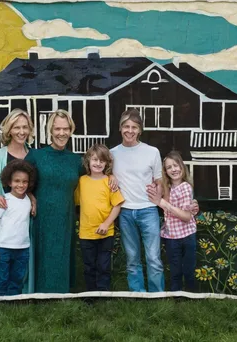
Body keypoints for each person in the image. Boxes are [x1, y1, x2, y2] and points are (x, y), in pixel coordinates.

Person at [24, 109, 84, 293]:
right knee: (44, 257)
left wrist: (111, 177)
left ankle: (62, 296)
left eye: (66, 129)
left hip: (66, 218)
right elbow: (20, 181)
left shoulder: (76, 161)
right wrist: (31, 196)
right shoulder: (37, 156)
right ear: (50, 130)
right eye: (57, 129)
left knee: (62, 255)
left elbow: (94, 179)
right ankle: (41, 296)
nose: (62, 133)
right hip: (41, 218)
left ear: (71, 130)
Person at [110, 109, 165, 292]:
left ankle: (158, 296)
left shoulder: (152, 152)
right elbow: (105, 177)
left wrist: (158, 196)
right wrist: (111, 178)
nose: (130, 130)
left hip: (148, 210)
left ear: (140, 130)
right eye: (126, 126)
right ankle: (138, 295)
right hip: (125, 211)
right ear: (120, 128)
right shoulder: (112, 154)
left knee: (153, 258)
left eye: (134, 127)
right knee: (132, 258)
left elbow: (159, 181)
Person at [0, 109, 36, 291]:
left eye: (25, 127)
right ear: (9, 130)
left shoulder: (34, 155)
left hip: (27, 231)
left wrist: (32, 198)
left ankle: (22, 299)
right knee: (3, 275)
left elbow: (32, 187)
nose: (22, 132)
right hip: (5, 234)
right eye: (17, 127)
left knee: (21, 273)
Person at [74, 144, 125, 291]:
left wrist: (106, 223)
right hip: (86, 232)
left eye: (102, 161)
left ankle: (103, 293)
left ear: (107, 164)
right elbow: (75, 201)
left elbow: (117, 205)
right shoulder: (81, 181)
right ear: (88, 161)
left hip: (106, 232)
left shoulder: (109, 182)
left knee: (103, 266)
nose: (98, 163)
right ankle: (91, 294)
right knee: (89, 266)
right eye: (95, 160)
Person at [148, 151, 196, 292]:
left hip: (187, 236)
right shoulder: (166, 188)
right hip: (171, 237)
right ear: (165, 171)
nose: (173, 169)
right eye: (169, 167)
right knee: (175, 271)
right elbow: (152, 189)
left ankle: (192, 298)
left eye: (176, 165)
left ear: (182, 166)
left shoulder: (185, 187)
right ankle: (176, 298)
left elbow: (186, 217)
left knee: (188, 270)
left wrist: (162, 203)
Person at [0, 160, 37, 296]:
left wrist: (33, 201)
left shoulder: (29, 200)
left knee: (17, 279)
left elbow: (30, 200)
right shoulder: (4, 200)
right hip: (4, 248)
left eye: (24, 182)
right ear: (9, 182)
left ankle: (13, 305)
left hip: (23, 249)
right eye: (16, 181)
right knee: (2, 279)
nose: (21, 185)